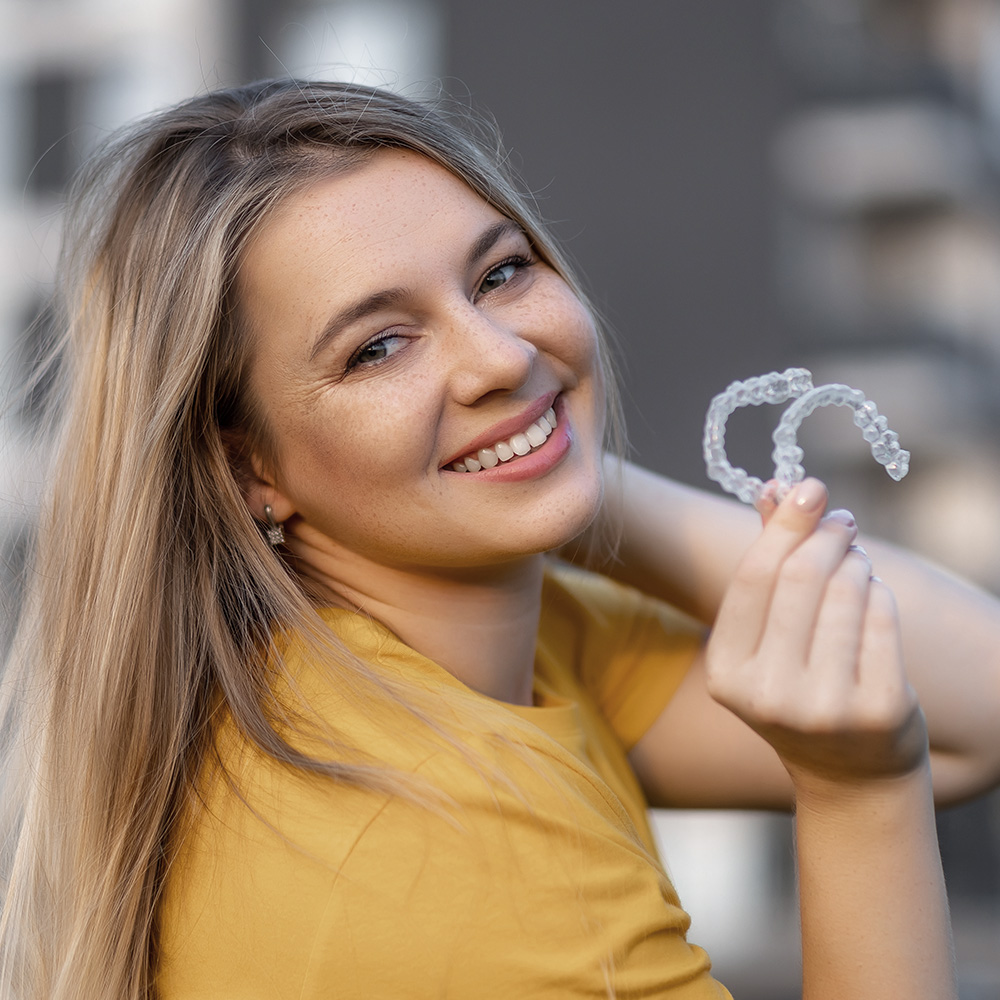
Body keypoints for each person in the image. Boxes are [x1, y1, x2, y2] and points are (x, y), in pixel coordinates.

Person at [1, 77, 997, 1000]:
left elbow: (977, 703)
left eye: (500, 273)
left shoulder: (406, 654)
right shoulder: (445, 854)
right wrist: (856, 793)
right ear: (247, 468)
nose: (501, 354)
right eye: (376, 347)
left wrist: (555, 462)